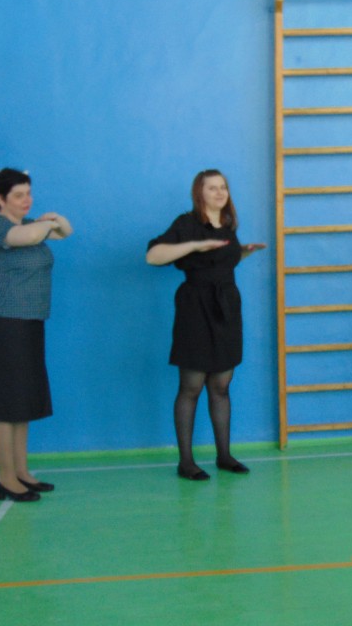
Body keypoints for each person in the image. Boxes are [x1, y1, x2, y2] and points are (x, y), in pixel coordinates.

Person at [146, 169, 265, 481]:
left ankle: (224, 456)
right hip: (195, 308)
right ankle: (186, 462)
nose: (220, 192)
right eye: (212, 188)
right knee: (191, 386)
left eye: (223, 187)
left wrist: (242, 252)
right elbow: (153, 256)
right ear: (199, 193)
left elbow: (219, 261)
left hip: (226, 308)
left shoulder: (227, 225)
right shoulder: (186, 224)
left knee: (221, 385)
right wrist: (193, 247)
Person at [0, 167, 73, 503]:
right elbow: (30, 237)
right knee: (4, 402)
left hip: (30, 321)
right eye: (18, 195)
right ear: (0, 198)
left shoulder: (31, 224)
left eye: (28, 193)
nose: (26, 200)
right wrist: (46, 224)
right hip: (3, 322)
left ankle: (21, 471)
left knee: (22, 401)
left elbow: (66, 231)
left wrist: (53, 219)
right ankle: (4, 478)